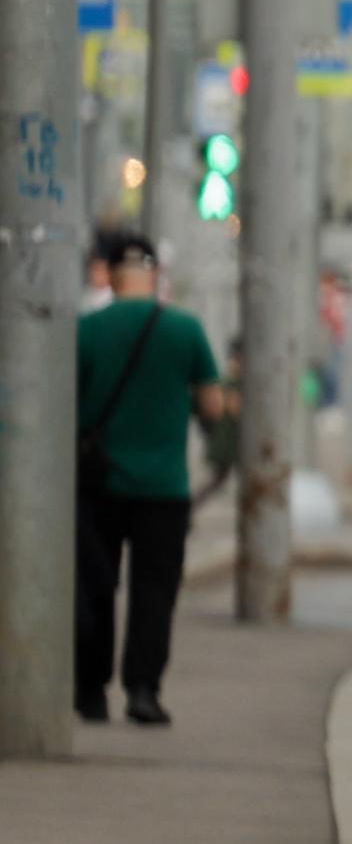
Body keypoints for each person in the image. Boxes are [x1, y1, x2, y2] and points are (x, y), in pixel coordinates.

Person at [70, 227, 235, 729]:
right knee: (155, 592)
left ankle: (91, 692)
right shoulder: (185, 330)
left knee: (95, 589)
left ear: (112, 276)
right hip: (164, 488)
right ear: (156, 275)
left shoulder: (88, 330)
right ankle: (143, 691)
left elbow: (67, 406)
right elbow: (212, 405)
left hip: (99, 487)